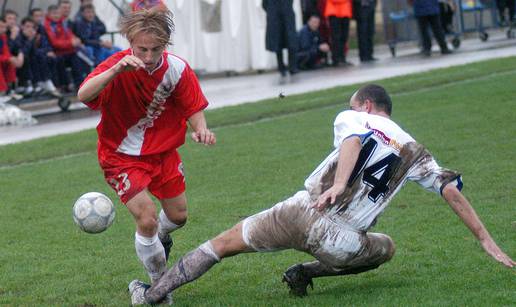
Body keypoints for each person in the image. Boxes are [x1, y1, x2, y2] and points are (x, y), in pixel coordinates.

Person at [128, 84, 515, 305]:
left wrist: (339, 184)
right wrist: (484, 238)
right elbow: (450, 189)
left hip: (301, 211)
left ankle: (152, 295)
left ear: (367, 105)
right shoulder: (416, 150)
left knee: (222, 244)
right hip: (343, 243)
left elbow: (351, 141)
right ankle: (306, 272)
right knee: (387, 248)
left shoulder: (356, 117)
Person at [77, 8, 216, 302]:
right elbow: (84, 95)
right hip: (121, 156)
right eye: (142, 49)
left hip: (163, 153)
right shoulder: (116, 66)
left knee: (178, 217)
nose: (149, 56)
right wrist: (115, 72)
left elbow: (193, 105)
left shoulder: (177, 69)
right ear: (130, 42)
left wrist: (201, 128)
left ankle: (157, 240)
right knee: (148, 218)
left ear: (165, 44)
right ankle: (158, 286)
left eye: (156, 49)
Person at [262, 0, 299, 76]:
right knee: (278, 43)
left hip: (287, 16)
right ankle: (281, 67)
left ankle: (292, 67)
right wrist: (272, 11)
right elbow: (264, 4)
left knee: (291, 42)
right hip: (275, 17)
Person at [324, 0, 353, 66]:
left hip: (345, 11)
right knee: (336, 37)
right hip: (333, 11)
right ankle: (336, 59)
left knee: (344, 37)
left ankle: (342, 58)